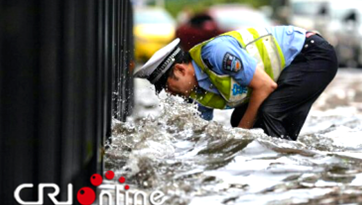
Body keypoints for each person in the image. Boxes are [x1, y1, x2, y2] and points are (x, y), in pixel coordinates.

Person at [134, 25, 338, 140]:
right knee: (241, 118)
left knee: (269, 114)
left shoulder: (215, 53)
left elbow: (265, 86)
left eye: (168, 85)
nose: (169, 93)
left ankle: (279, 173)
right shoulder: (197, 92)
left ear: (180, 69)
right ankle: (292, 164)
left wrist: (239, 138)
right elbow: (200, 130)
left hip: (311, 54)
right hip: (294, 67)